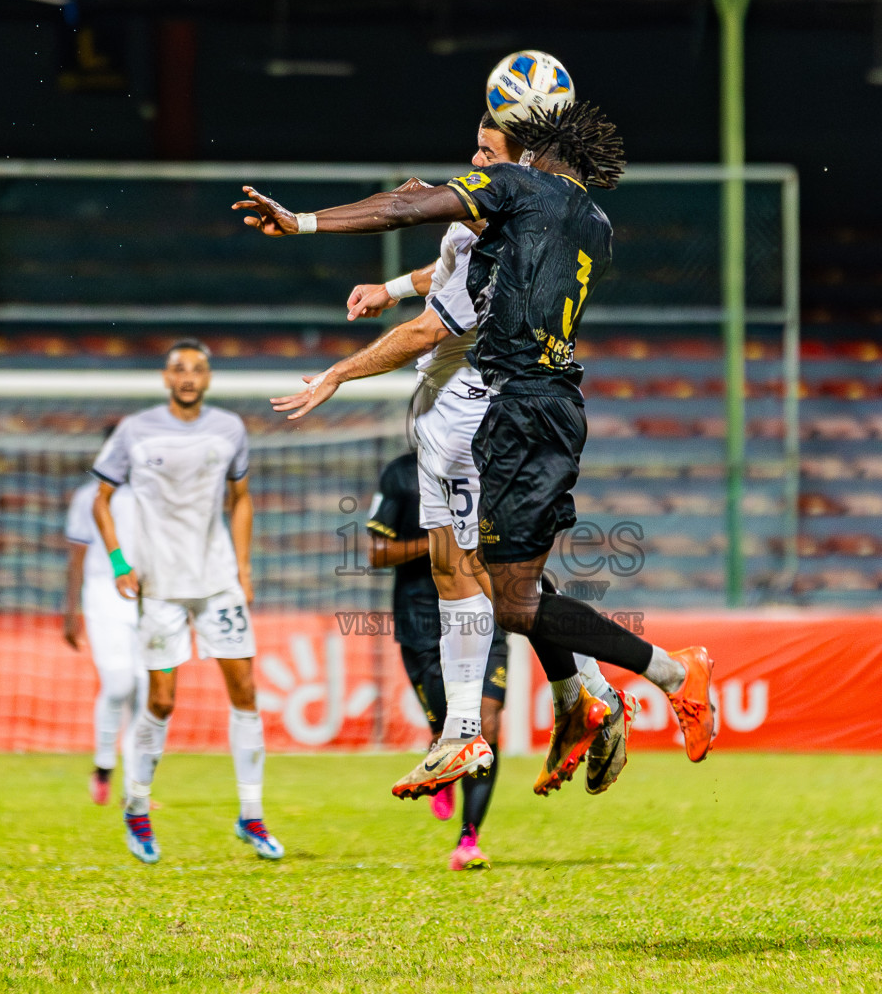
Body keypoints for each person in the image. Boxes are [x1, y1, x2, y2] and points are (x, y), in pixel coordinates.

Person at [240, 99, 712, 790]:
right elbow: (468, 262)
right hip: (531, 406)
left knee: (494, 587)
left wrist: (305, 224)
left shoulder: (517, 190)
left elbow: (410, 228)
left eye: (487, 154)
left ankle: (631, 682)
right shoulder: (588, 222)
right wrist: (395, 284)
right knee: (497, 578)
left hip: (503, 404)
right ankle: (574, 702)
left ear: (527, 159)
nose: (473, 166)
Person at [91, 338, 282, 865]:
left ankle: (251, 814)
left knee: (245, 692)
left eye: (197, 368)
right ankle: (136, 807)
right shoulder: (135, 430)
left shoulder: (229, 429)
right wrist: (119, 562)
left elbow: (241, 500)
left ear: (208, 378)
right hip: (160, 587)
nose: (189, 376)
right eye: (179, 368)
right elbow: (101, 501)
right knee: (161, 701)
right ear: (166, 377)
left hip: (217, 581)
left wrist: (243, 569)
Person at [367, 449, 510, 870]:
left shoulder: (489, 464)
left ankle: (469, 838)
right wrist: (439, 543)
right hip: (422, 619)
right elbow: (377, 552)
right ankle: (443, 758)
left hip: (482, 607)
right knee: (447, 725)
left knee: (486, 723)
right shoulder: (400, 473)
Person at [63, 432, 146, 805]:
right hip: (103, 593)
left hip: (148, 596)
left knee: (146, 688)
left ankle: (135, 785)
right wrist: (70, 611)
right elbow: (77, 555)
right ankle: (103, 765)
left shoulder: (152, 496)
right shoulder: (88, 498)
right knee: (119, 683)